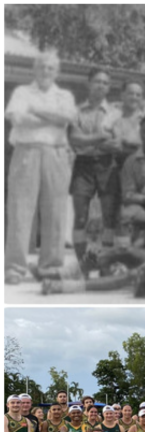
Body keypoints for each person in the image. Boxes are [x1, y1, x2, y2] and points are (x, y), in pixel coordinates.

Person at [5, 50, 77, 284]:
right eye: (42, 67)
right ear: (34, 69)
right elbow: (16, 119)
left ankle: (51, 265)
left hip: (56, 153)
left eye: (51, 68)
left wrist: (34, 110)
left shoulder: (64, 95)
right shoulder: (22, 92)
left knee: (56, 210)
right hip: (26, 151)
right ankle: (15, 267)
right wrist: (52, 118)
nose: (46, 72)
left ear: (57, 72)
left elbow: (67, 118)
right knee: (20, 210)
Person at [69, 68, 121, 261]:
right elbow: (74, 139)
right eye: (97, 81)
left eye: (105, 83)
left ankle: (106, 260)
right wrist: (100, 138)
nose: (101, 85)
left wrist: (87, 139)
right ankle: (81, 262)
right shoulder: (75, 111)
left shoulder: (115, 112)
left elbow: (116, 143)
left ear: (109, 88)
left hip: (107, 165)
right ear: (88, 83)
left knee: (108, 216)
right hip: (83, 165)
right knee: (81, 216)